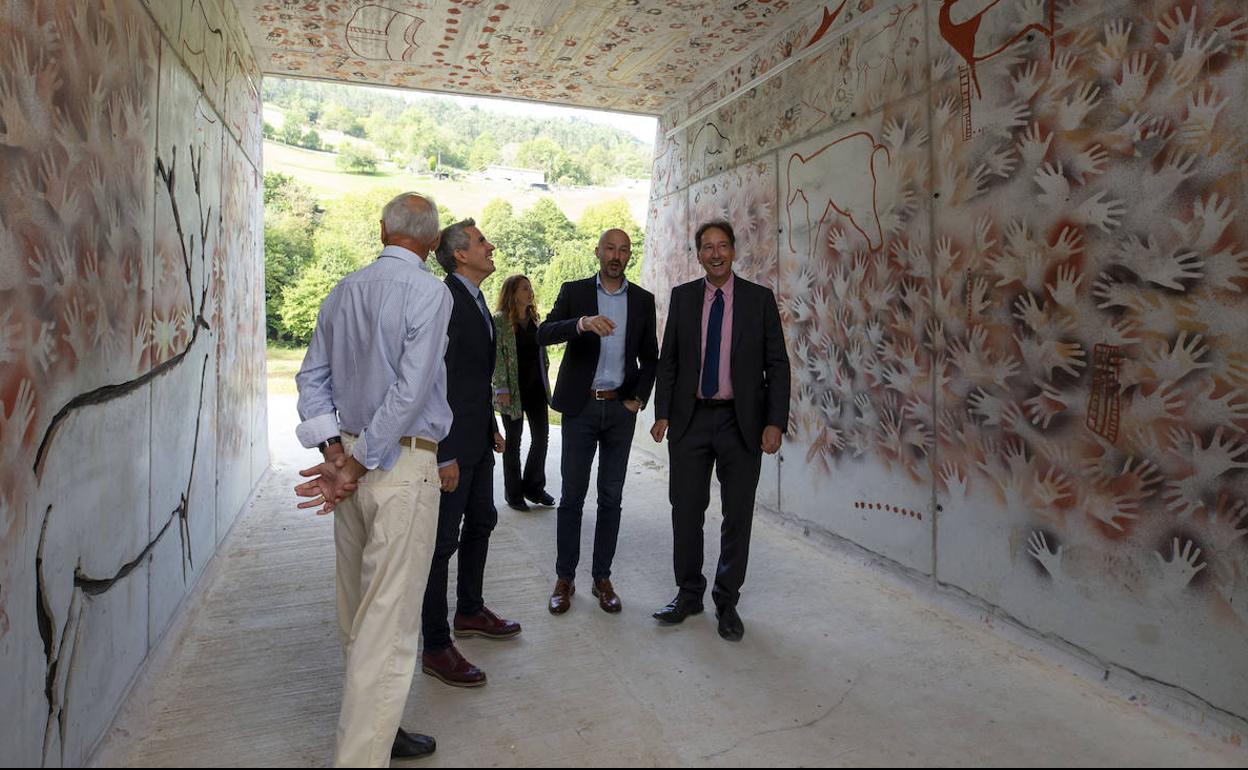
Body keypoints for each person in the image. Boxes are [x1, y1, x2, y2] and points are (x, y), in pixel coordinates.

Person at [292, 192, 449, 766]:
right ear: (433, 244)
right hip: (399, 466)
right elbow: (411, 392)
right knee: (386, 626)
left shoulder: (343, 289)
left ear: (383, 231)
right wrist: (354, 464)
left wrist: (336, 450)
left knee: (357, 611)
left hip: (354, 463)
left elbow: (311, 378)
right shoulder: (431, 292)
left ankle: (383, 729)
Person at [650, 220, 791, 642]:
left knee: (737, 515)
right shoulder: (683, 298)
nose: (715, 253)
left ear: (733, 251)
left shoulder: (759, 300)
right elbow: (669, 359)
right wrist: (663, 412)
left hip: (740, 423)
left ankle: (726, 600)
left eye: (722, 246)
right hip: (691, 420)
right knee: (686, 511)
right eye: (707, 247)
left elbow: (778, 365)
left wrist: (774, 422)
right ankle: (689, 592)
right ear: (698, 254)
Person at [419, 218, 521, 689]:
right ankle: (437, 645)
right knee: (441, 544)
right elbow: (434, 380)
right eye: (482, 241)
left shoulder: (476, 299)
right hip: (452, 449)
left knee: (483, 522)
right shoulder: (445, 301)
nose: (490, 245)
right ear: (460, 254)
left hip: (477, 440)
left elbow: (469, 378)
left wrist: (489, 426)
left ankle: (471, 611)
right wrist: (443, 452)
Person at [538, 229, 658, 615]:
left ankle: (602, 577)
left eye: (623, 250)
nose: (616, 255)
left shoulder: (642, 300)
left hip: (619, 411)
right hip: (581, 409)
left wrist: (637, 397)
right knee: (572, 497)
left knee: (611, 498)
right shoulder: (574, 292)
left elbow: (651, 357)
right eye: (610, 248)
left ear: (628, 256)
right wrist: (582, 323)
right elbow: (543, 334)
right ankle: (564, 578)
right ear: (598, 251)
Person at [492, 275, 555, 511]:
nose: (530, 292)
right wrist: (501, 388)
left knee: (541, 438)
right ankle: (514, 493)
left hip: (537, 388)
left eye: (530, 288)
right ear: (513, 293)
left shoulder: (534, 319)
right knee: (514, 442)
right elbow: (496, 357)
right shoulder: (499, 321)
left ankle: (534, 487)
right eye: (524, 289)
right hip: (513, 392)